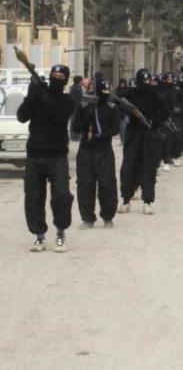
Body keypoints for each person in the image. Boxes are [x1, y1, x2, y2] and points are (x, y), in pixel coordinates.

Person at [17, 65, 76, 252]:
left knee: (61, 196)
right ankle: (39, 236)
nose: (57, 78)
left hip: (57, 156)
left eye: (61, 76)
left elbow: (58, 117)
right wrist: (31, 95)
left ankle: (60, 233)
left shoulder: (68, 100)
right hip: (35, 155)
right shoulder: (38, 96)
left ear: (66, 80)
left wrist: (43, 95)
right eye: (54, 75)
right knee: (33, 197)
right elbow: (21, 116)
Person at [71, 78, 120, 228]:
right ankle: (88, 218)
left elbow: (116, 128)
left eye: (107, 92)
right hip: (86, 150)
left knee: (107, 184)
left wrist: (103, 134)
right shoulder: (84, 105)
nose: (105, 95)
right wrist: (87, 118)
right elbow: (75, 127)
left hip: (104, 150)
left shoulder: (111, 107)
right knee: (85, 184)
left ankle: (108, 217)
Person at [118, 69, 168, 215]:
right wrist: (126, 111)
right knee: (128, 166)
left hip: (150, 133)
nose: (146, 84)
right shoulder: (130, 93)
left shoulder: (155, 94)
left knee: (149, 167)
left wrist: (155, 123)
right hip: (133, 132)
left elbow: (165, 112)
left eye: (148, 81)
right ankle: (126, 200)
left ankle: (147, 201)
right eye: (143, 81)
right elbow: (118, 102)